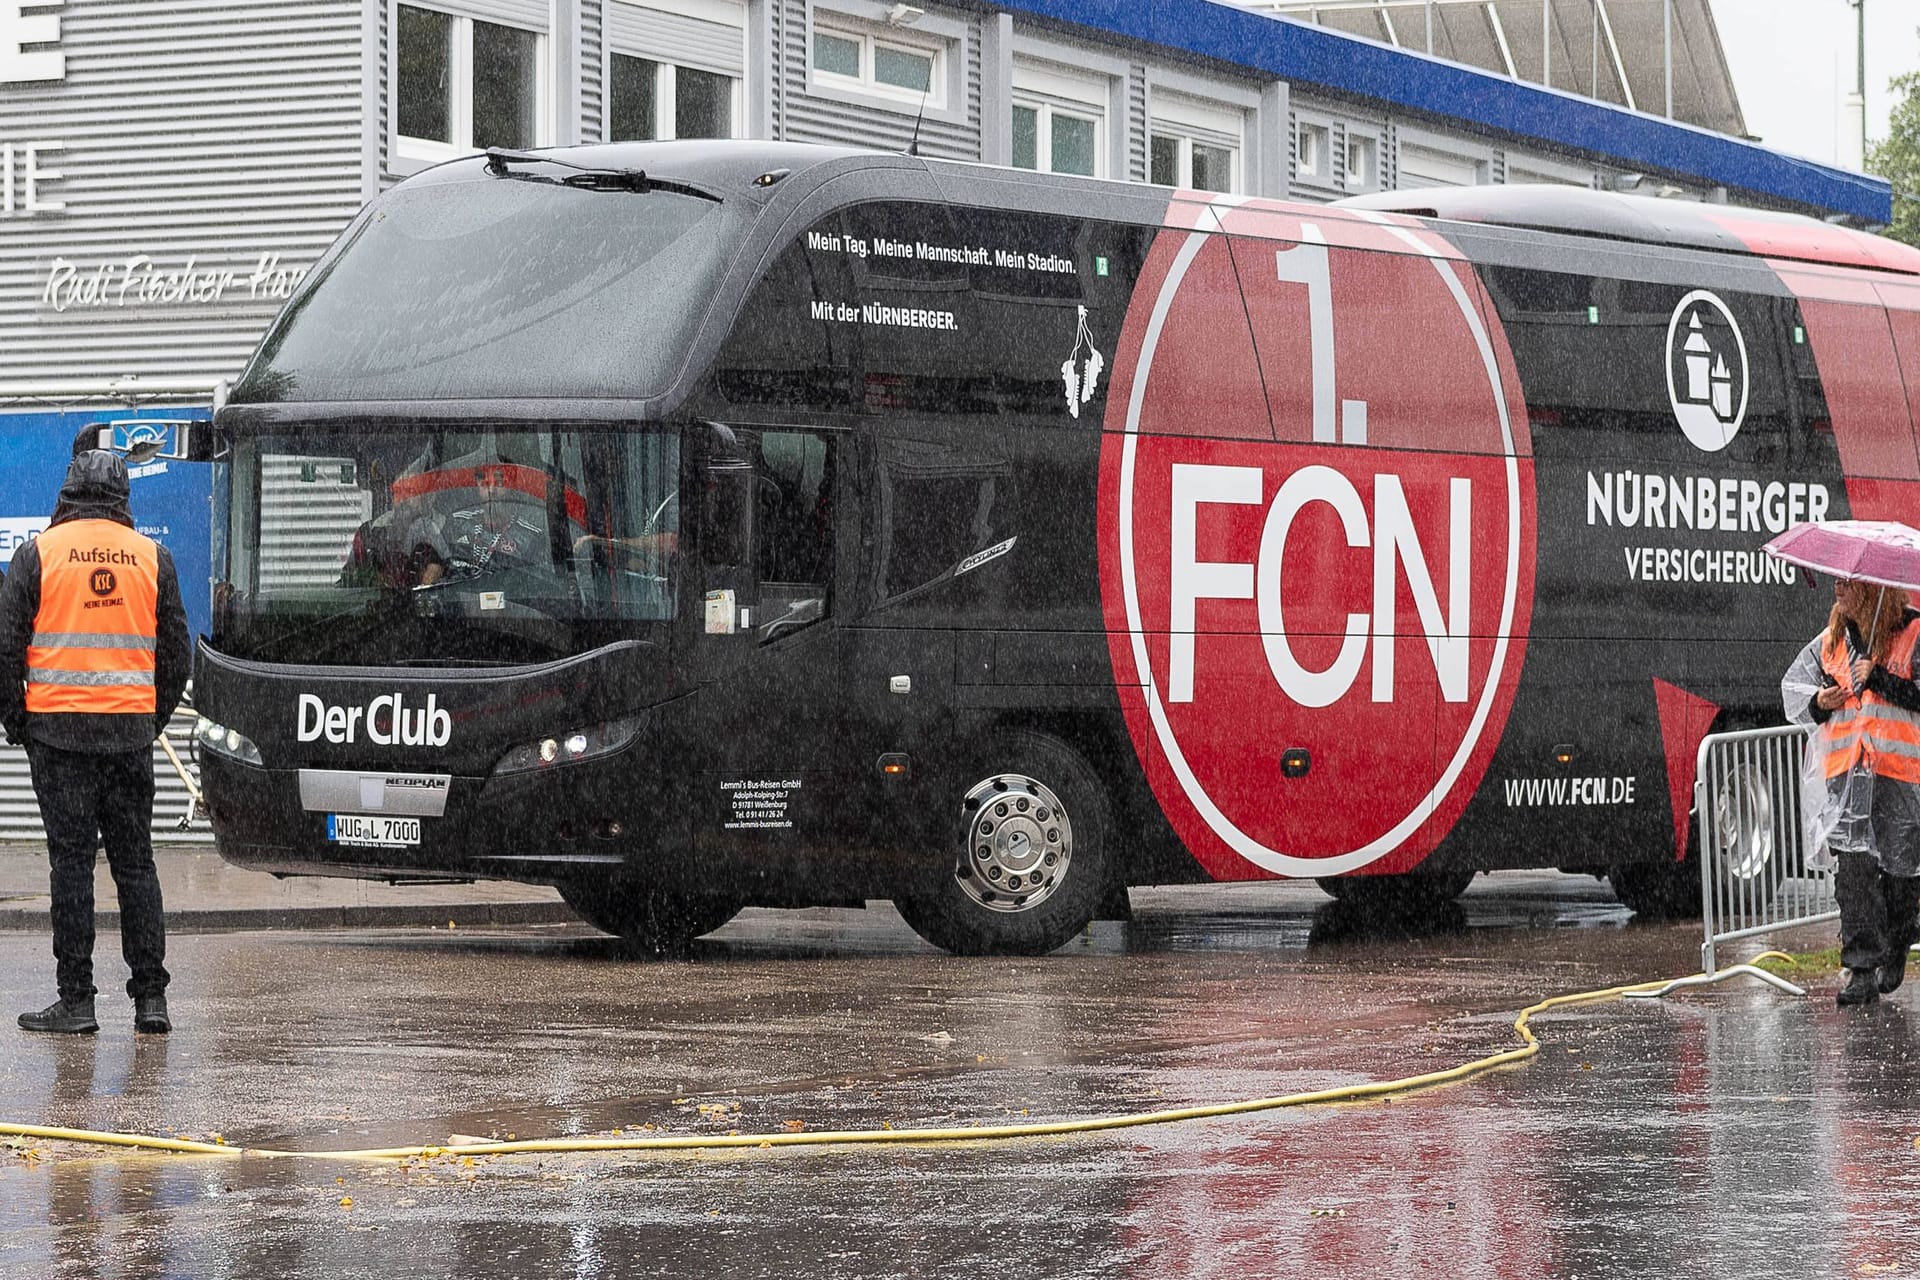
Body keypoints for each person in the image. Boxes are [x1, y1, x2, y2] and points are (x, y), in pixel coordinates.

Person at [0, 450, 190, 1034]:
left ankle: (78, 1001)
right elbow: (177, 655)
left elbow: (6, 648)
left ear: (67, 491)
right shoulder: (152, 557)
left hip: (59, 740)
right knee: (136, 866)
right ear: (122, 494)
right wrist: (148, 721)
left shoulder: (38, 554)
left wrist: (19, 723)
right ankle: (150, 1000)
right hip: (128, 738)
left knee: (72, 868)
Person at [1790, 575, 1920, 1007]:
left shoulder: (1913, 631)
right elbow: (1798, 694)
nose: (1837, 591)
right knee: (1855, 872)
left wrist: (1880, 678)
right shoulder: (1832, 640)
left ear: (1869, 589)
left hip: (1898, 773)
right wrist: (1818, 704)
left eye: (1846, 585)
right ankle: (1861, 969)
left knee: (1901, 871)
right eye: (1836, 584)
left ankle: (1898, 944)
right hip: (1847, 774)